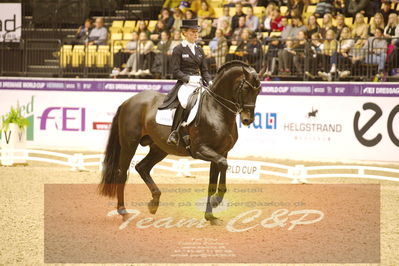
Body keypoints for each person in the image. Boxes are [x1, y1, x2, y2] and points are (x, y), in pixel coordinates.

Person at [158, 19, 212, 145]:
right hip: (185, 84)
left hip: (199, 83)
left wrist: (209, 82)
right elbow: (175, 71)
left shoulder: (199, 50)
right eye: (193, 32)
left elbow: (204, 70)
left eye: (197, 32)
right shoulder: (178, 49)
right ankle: (174, 132)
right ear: (185, 33)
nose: (196, 34)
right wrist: (188, 78)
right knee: (184, 102)